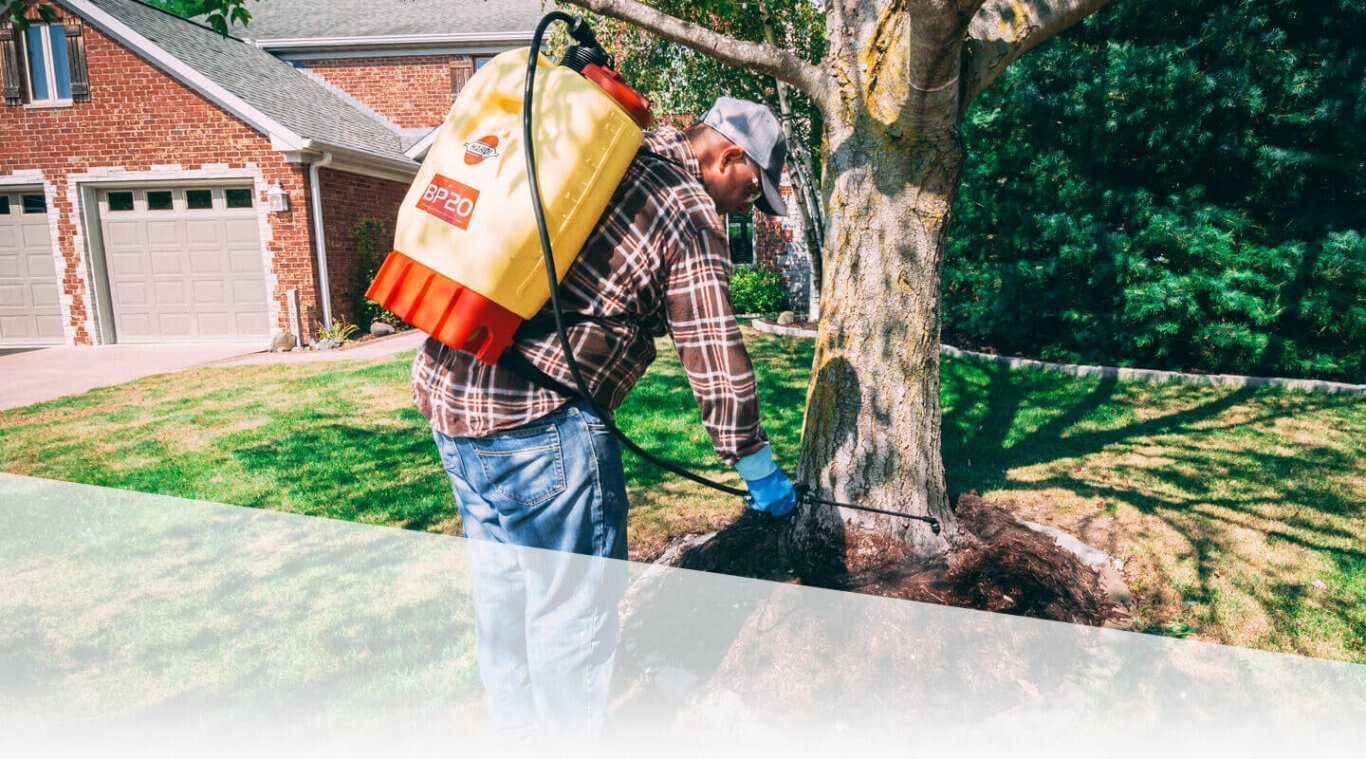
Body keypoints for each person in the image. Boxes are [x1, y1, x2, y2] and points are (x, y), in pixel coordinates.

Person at [413, 96, 799, 739]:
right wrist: (758, 467)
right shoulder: (687, 207)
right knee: (572, 619)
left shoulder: (612, 151)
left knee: (503, 604)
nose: (745, 208)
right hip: (538, 427)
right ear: (729, 156)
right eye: (753, 191)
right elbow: (715, 356)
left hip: (453, 399)